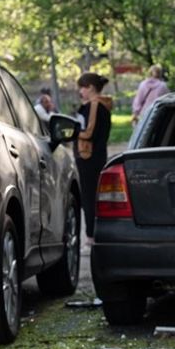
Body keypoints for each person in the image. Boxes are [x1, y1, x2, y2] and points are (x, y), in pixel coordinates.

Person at [73, 72, 111, 247]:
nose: (80, 91)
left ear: (90, 88)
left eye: (82, 87)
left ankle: (91, 235)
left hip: (89, 157)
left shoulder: (95, 106)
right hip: (91, 157)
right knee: (91, 195)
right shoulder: (93, 105)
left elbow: (89, 132)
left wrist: (72, 133)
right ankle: (94, 232)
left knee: (89, 196)